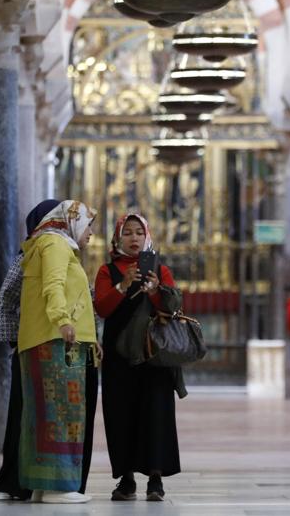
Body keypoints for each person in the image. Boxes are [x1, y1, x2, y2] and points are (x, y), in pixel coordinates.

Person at [0, 198, 103, 501]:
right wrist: (63, 322)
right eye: (88, 225)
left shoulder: (50, 244)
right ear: (71, 220)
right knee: (61, 413)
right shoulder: (54, 244)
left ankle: (42, 486)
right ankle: (57, 487)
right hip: (54, 341)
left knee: (45, 415)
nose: (91, 233)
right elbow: (52, 286)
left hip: (51, 340)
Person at [94, 213, 181, 502]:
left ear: (147, 237)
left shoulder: (160, 269)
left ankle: (155, 479)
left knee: (155, 412)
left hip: (153, 355)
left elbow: (173, 306)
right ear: (118, 237)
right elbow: (102, 309)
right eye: (127, 233)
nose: (133, 238)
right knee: (121, 413)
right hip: (119, 357)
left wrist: (156, 290)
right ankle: (126, 478)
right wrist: (122, 285)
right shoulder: (107, 271)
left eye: (138, 233)